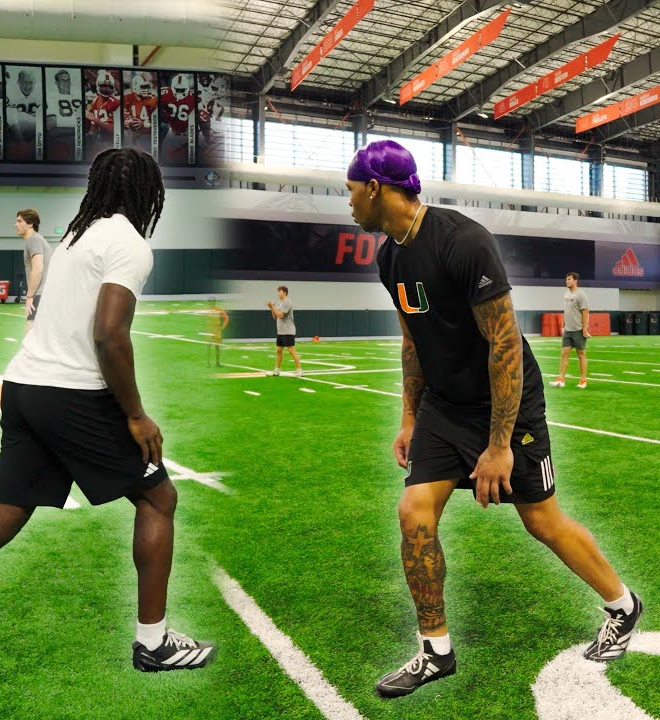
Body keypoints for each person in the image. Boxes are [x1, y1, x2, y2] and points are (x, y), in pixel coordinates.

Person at [0, 148, 215, 676]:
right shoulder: (129, 243)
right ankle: (154, 643)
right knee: (158, 498)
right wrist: (136, 415)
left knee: (1, 518)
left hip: (24, 385)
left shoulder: (77, 236)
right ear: (148, 193)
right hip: (73, 394)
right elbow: (109, 333)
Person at [343, 140, 641, 699]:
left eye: (352, 190)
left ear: (377, 188)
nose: (350, 202)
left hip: (506, 403)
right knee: (414, 511)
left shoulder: (462, 242)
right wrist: (410, 416)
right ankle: (436, 650)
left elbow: (504, 344)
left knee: (542, 521)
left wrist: (500, 444)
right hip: (444, 406)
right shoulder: (390, 255)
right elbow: (413, 339)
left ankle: (623, 605)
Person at [15, 208, 50, 334]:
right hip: (43, 293)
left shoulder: (33, 240)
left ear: (30, 224)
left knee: (30, 330)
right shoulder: (35, 240)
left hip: (39, 293)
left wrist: (29, 296)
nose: (16, 225)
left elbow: (38, 269)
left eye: (19, 221)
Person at [552, 272, 590, 389]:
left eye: (569, 279)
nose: (567, 281)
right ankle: (561, 379)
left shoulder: (581, 295)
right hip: (568, 330)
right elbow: (566, 310)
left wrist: (584, 329)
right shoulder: (566, 294)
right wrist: (563, 325)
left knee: (581, 355)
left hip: (578, 329)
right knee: (564, 354)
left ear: (575, 280)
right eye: (566, 280)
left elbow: (585, 312)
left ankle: (583, 381)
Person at [267, 285, 301, 376]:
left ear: (284, 292)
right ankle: (277, 370)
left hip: (288, 331)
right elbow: (275, 316)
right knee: (278, 351)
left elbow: (281, 315)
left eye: (279, 291)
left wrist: (272, 307)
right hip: (280, 331)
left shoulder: (287, 302)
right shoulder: (279, 303)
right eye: (277, 292)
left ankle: (299, 371)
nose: (278, 293)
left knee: (291, 350)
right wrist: (272, 308)